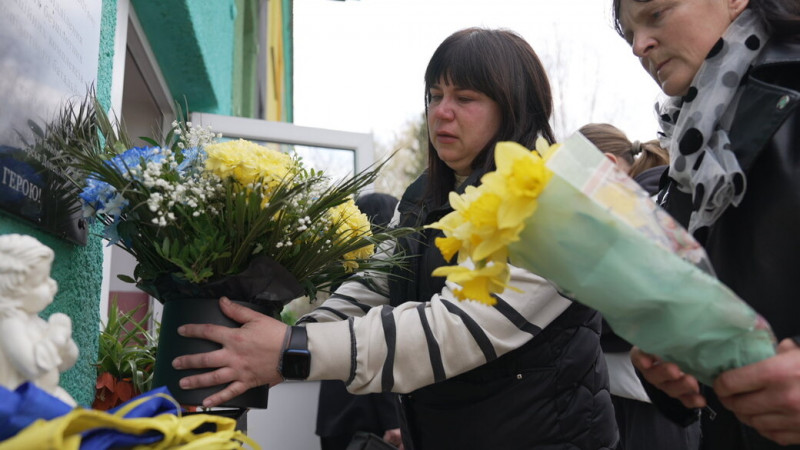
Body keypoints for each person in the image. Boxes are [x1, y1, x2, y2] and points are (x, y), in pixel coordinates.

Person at [173, 28, 618, 449]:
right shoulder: (424, 195)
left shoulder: (549, 201)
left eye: (465, 98)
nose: (441, 112)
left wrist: (292, 351)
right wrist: (278, 344)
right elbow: (373, 284)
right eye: (434, 96)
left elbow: (453, 331)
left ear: (515, 108)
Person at [611, 0, 800, 448]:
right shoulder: (689, 151)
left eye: (656, 13)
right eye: (629, 33)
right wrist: (672, 373)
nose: (639, 46)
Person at [579, 123, 701, 450]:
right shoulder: (641, 204)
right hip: (634, 394)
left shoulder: (649, 207)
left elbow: (636, 309)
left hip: (656, 401)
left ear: (606, 165)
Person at [316, 192, 402, 450]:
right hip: (370, 417)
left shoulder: (344, 280)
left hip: (334, 415)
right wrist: (392, 418)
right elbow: (378, 346)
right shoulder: (378, 283)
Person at [0, 234, 79, 406]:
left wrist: (65, 344)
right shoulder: (10, 325)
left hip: (46, 396)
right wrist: (56, 336)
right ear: (13, 291)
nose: (52, 284)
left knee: (82, 418)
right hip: (23, 405)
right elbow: (32, 366)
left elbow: (64, 363)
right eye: (41, 280)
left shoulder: (33, 321)